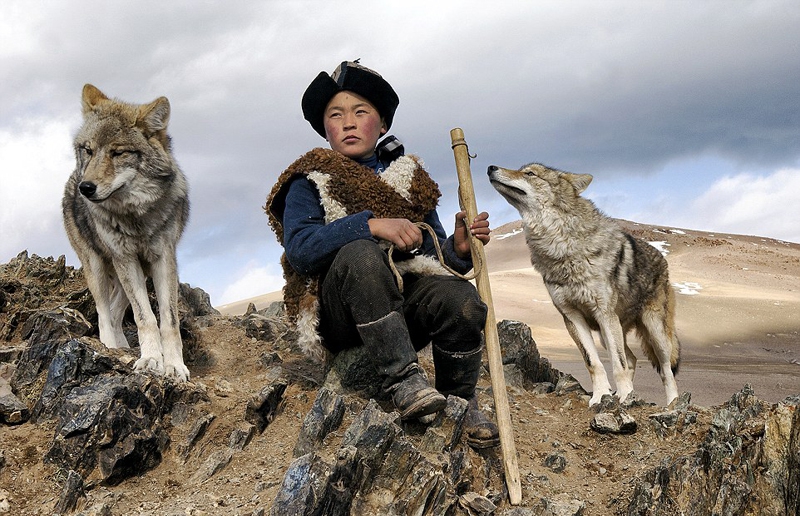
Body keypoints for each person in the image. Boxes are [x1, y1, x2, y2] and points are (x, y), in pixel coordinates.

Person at [265, 61, 499, 448]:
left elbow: (433, 258)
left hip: (402, 303)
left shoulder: (411, 180)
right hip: (342, 313)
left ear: (383, 124)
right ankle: (404, 381)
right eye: (336, 115)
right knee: (360, 253)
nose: (349, 123)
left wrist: (457, 251)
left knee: (462, 301)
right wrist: (370, 225)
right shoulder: (308, 181)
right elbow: (302, 251)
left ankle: (461, 402)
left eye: (361, 112)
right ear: (326, 129)